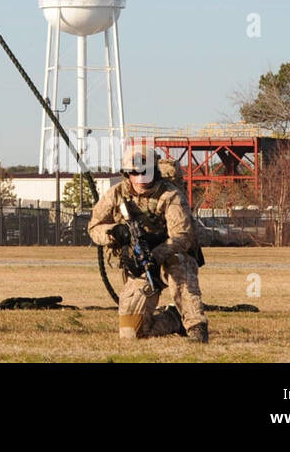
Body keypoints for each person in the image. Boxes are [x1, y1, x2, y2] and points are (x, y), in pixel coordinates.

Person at [88, 143, 209, 343]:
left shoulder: (170, 195)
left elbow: (182, 236)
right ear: (127, 174)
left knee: (179, 264)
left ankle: (196, 326)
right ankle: (173, 320)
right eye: (135, 173)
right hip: (138, 264)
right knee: (131, 334)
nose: (141, 179)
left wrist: (156, 253)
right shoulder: (116, 194)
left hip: (169, 255)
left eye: (146, 173)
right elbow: (94, 228)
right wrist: (114, 233)